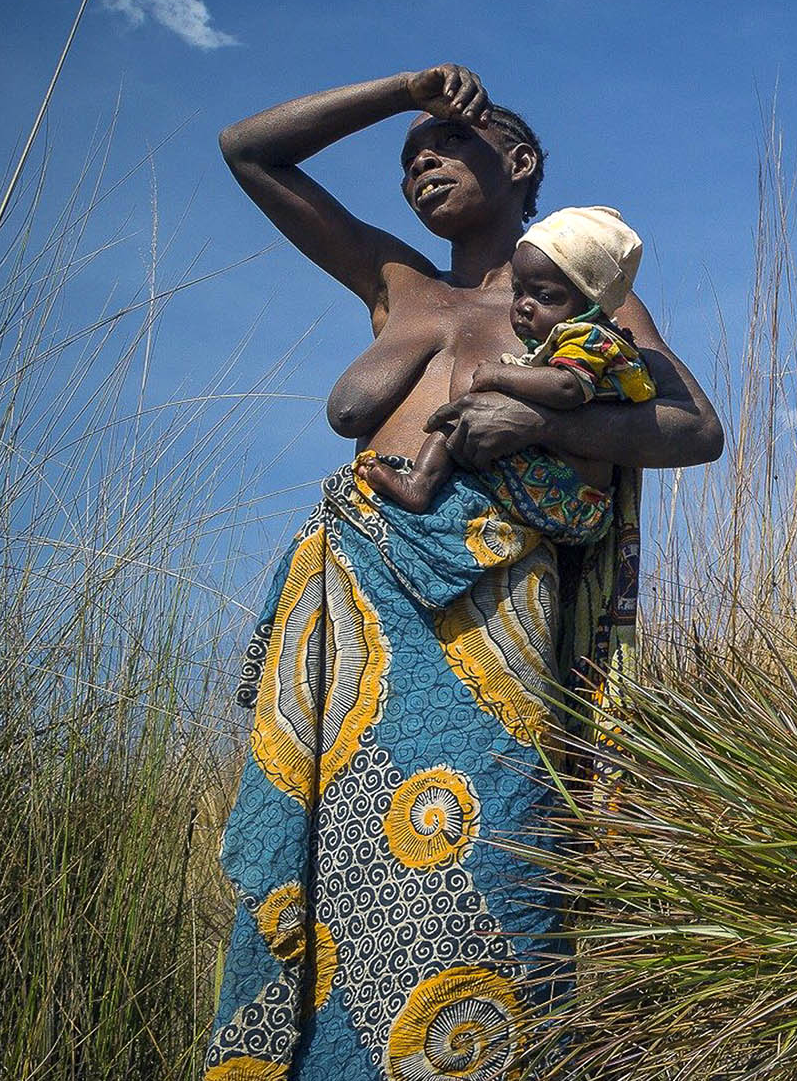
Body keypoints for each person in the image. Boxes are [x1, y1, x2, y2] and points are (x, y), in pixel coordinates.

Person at [202, 66, 722, 1080]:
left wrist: (538, 421)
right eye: (408, 161)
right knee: (324, 860)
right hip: (352, 597)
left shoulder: (585, 304)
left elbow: (694, 429)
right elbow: (249, 151)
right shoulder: (396, 282)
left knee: (486, 849)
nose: (419, 168)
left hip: (490, 607)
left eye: (445, 145)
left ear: (518, 160)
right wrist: (405, 91)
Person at [357, 204, 656, 532]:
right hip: (553, 492)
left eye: (544, 296)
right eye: (518, 292)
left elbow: (567, 387)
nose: (524, 306)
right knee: (464, 418)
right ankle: (421, 483)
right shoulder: (557, 344)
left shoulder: (591, 339)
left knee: (463, 419)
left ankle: (421, 484)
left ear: (591, 303)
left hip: (566, 496)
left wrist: (501, 375)